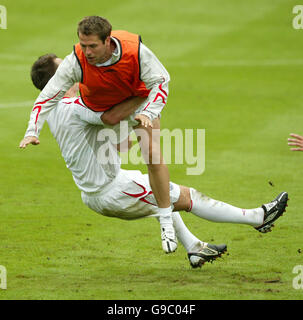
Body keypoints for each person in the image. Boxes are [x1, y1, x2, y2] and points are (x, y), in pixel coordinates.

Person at [20, 54, 289, 268]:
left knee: (161, 190)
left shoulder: (53, 109)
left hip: (104, 184)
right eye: (65, 68)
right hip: (111, 191)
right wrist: (143, 93)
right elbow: (111, 117)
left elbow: (113, 140)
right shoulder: (71, 108)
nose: (73, 69)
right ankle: (258, 217)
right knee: (186, 196)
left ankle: (195, 249)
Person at [19, 16, 178, 253]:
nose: (86, 51)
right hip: (109, 114)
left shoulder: (135, 51)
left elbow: (162, 80)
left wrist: (149, 110)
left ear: (108, 41)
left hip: (134, 104)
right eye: (83, 45)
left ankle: (168, 223)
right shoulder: (76, 65)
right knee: (128, 142)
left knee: (153, 154)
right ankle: (190, 234)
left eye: (92, 45)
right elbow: (48, 97)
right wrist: (32, 131)